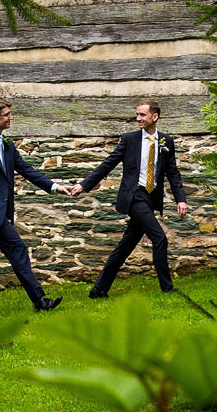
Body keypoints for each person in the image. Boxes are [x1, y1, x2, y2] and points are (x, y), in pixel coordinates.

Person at [69, 97, 188, 297]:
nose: (138, 118)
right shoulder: (129, 139)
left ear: (155, 116)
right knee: (160, 238)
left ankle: (98, 290)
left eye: (142, 114)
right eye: (137, 114)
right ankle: (167, 289)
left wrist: (181, 199)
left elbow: (172, 173)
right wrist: (84, 185)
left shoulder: (166, 141)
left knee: (125, 246)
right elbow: (108, 164)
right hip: (134, 197)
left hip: (150, 199)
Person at [0, 100, 67, 313]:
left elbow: (27, 170)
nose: (11, 118)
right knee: (17, 249)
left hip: (0, 213)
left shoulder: (6, 143)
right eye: (7, 114)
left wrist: (55, 187)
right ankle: (40, 301)